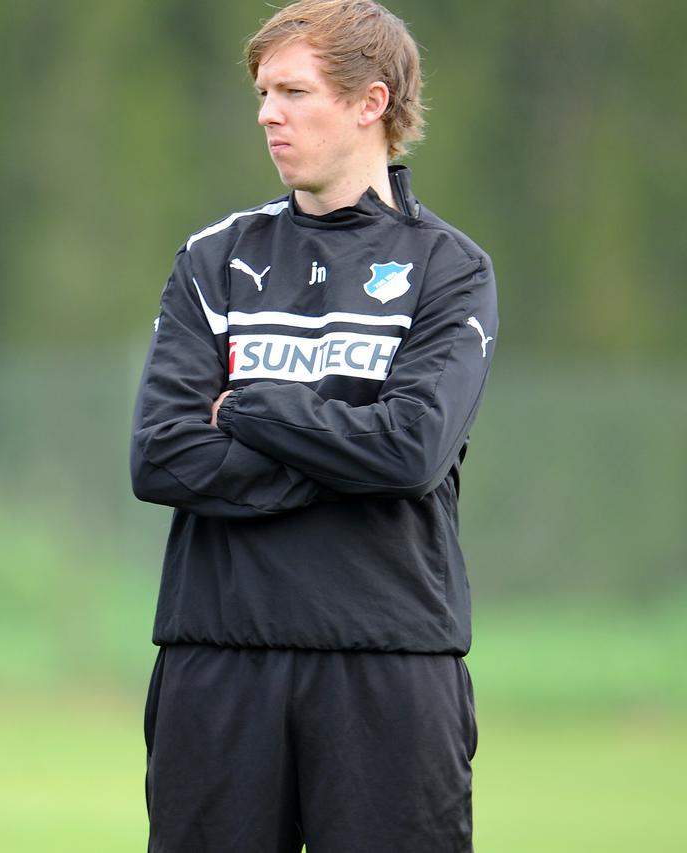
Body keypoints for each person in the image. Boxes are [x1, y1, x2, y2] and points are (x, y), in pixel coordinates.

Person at [130, 1, 497, 850]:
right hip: (217, 660)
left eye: (293, 91)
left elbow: (410, 451)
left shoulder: (451, 268)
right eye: (264, 92)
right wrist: (346, 446)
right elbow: (163, 455)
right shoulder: (213, 259)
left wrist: (252, 408)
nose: (268, 112)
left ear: (372, 102)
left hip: (390, 663)